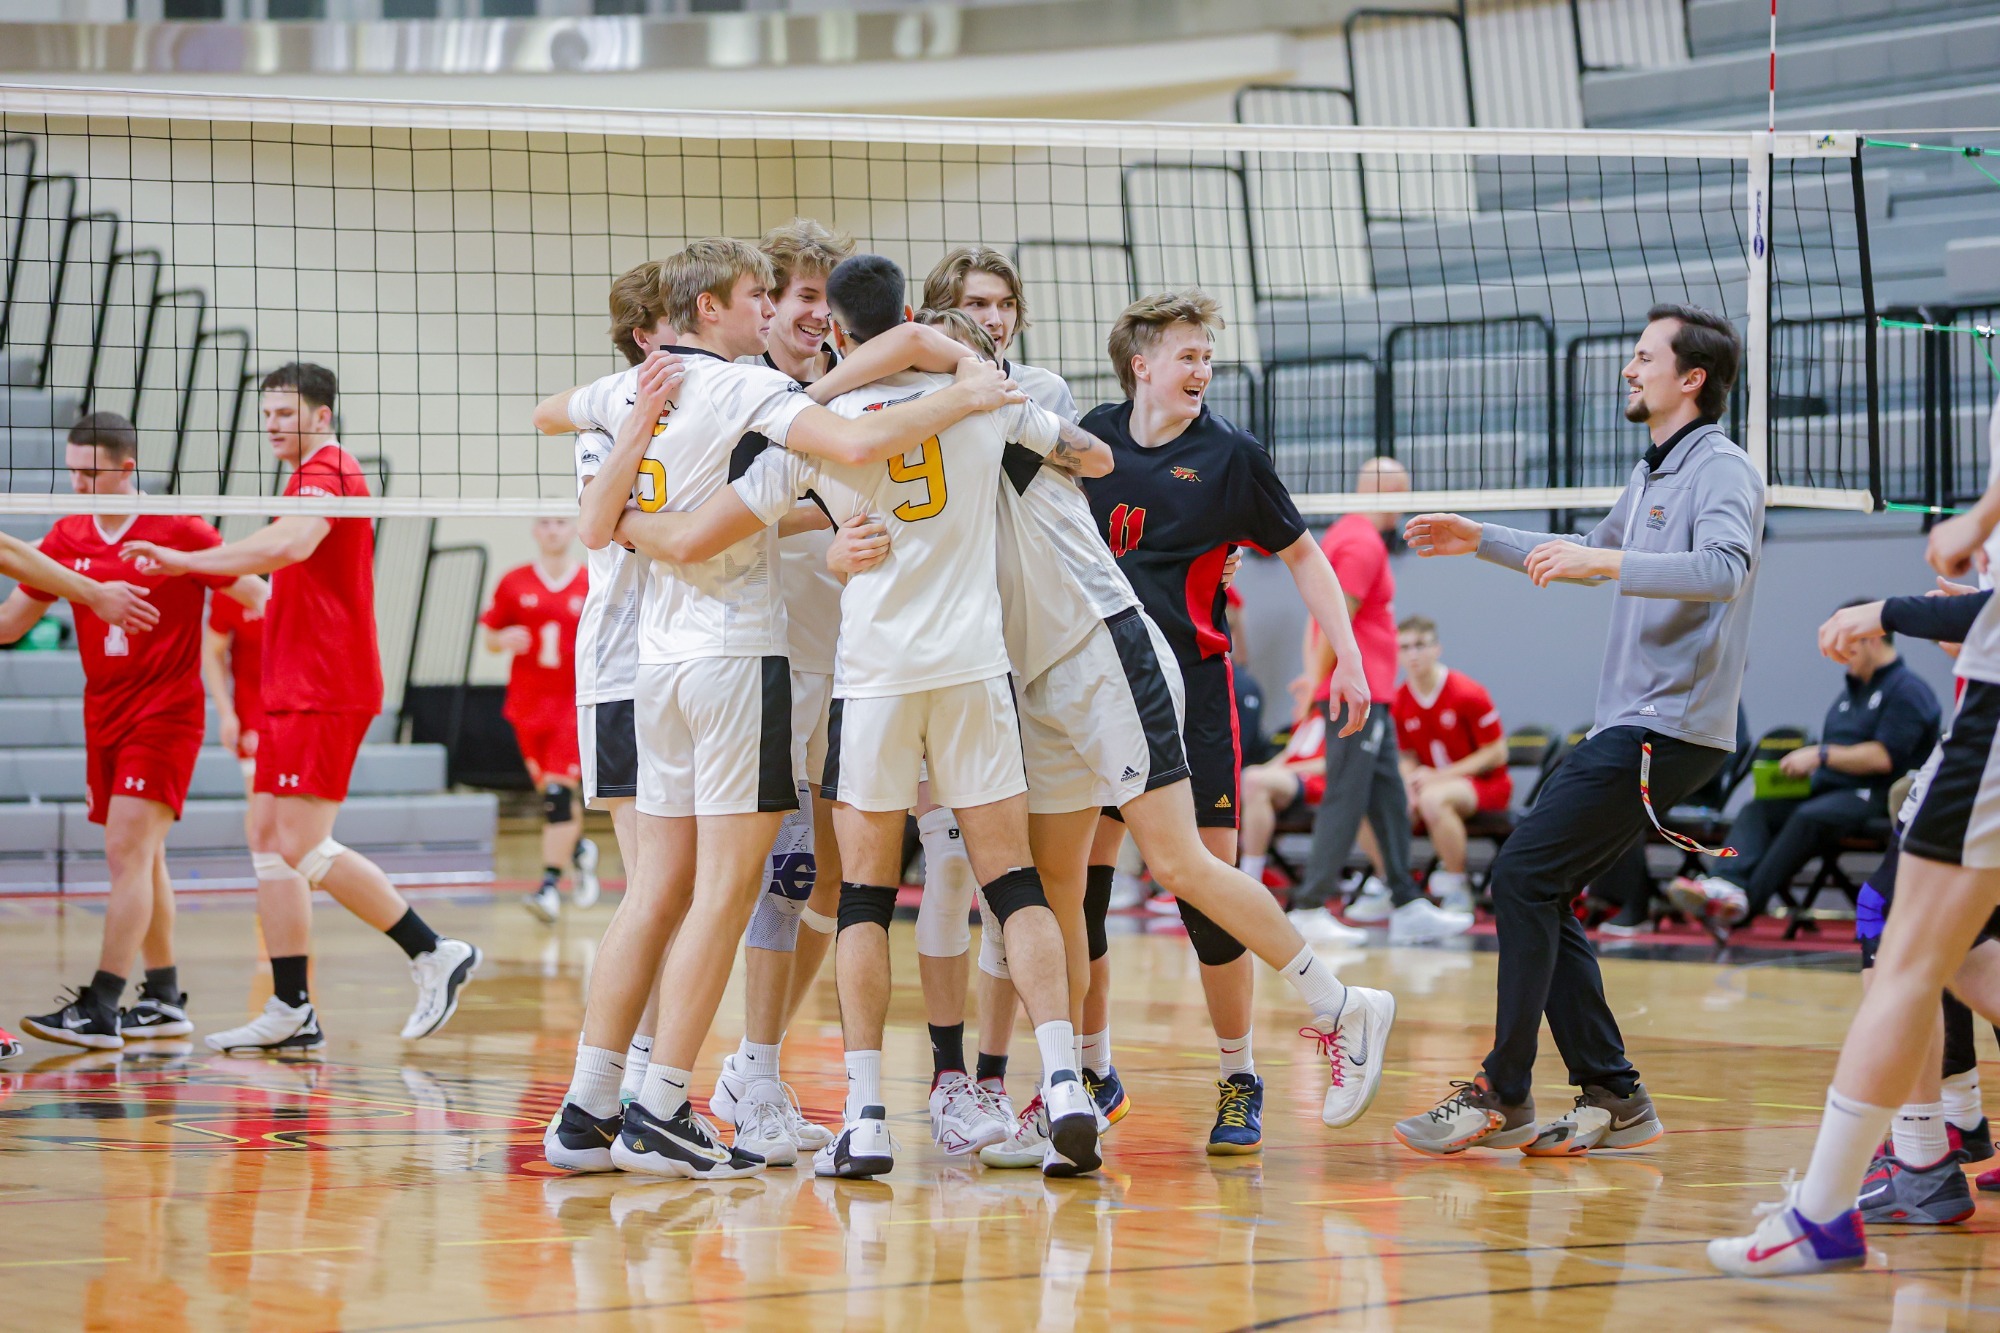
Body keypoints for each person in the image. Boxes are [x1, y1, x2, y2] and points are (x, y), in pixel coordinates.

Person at [547, 239, 1026, 1181]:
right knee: (726, 891)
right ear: (713, 307)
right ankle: (662, 1104)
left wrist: (634, 506)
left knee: (661, 891)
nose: (772, 311)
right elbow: (849, 443)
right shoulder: (748, 396)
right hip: (738, 659)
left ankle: (590, 1103)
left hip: (660, 663)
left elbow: (562, 440)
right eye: (760, 295)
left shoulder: (631, 391)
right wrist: (969, 391)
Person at [1395, 303, 1759, 1158]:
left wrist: (1609, 561)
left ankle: (1504, 1088)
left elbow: (1723, 571)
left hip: (1671, 725)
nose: (1629, 370)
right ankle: (1615, 1094)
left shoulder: (1724, 469)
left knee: (1521, 875)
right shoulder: (1652, 474)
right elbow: (1588, 548)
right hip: (1633, 723)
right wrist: (1480, 538)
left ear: (1690, 377)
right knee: (1537, 885)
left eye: (1643, 357)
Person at [1079, 289, 1391, 1154]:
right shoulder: (1086, 439)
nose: (1202, 370)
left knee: (1206, 896)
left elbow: (1302, 552)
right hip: (1094, 695)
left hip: (1195, 696)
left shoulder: (1230, 456)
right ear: (1141, 364)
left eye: (1208, 356)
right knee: (1084, 897)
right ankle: (1095, 1072)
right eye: (1187, 355)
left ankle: (1239, 1074)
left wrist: (1349, 658)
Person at [123, 362, 482, 1052]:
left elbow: (291, 542)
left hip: (326, 683)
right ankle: (291, 1005)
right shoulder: (302, 479)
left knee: (298, 841)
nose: (272, 426)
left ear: (321, 414)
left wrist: (186, 562)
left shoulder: (329, 470)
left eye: (285, 414)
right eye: (266, 415)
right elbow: (285, 569)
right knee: (267, 839)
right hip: (290, 686)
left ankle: (434, 951)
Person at [1709, 486, 2000, 1274]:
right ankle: (1923, 1157)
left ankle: (1837, 1208)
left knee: (1897, 941)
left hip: (1987, 732)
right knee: (1960, 954)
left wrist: (1894, 606)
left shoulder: (1896, 682)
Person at [2, 412, 264, 1050]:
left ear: (128, 468)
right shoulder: (67, 534)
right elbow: (10, 625)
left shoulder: (178, 528)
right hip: (105, 713)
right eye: (71, 473)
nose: (79, 485)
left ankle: (101, 1004)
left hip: (166, 713)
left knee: (125, 852)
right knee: (144, 860)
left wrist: (192, 571)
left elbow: (257, 592)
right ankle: (166, 997)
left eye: (91, 473)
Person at [1670, 599, 1938, 936]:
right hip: (1829, 788)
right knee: (1760, 810)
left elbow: (1883, 757)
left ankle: (1743, 906)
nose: (1838, 653)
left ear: (1869, 637)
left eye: (1844, 643)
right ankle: (1725, 884)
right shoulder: (1849, 694)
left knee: (1808, 816)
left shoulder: (1908, 691)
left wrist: (1820, 755)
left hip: (1875, 794)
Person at [1292, 461, 1470, 945]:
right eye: (1401, 492)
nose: (1404, 503)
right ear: (1380, 489)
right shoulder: (1360, 542)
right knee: (1346, 794)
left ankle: (1406, 902)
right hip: (1356, 695)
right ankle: (1309, 906)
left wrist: (1314, 676)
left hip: (1375, 698)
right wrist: (1315, 681)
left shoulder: (1354, 538)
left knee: (1389, 799)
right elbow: (1335, 618)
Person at [481, 516, 599, 924]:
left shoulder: (590, 582)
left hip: (573, 704)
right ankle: (580, 849)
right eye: (545, 524)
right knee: (554, 799)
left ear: (573, 530)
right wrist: (502, 640)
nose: (553, 531)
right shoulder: (514, 581)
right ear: (534, 530)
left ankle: (548, 886)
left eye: (561, 524)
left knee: (557, 795)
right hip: (527, 707)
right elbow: (491, 637)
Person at [1390, 614, 1512, 916]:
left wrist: (1440, 777)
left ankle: (1458, 887)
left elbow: (1497, 753)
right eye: (1405, 647)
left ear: (1437, 649)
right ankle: (1390, 886)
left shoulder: (1467, 692)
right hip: (1434, 782)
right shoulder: (1400, 700)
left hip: (1486, 785)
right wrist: (1408, 782)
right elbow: (1407, 756)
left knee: (1434, 798)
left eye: (1420, 645)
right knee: (1377, 800)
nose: (1413, 654)